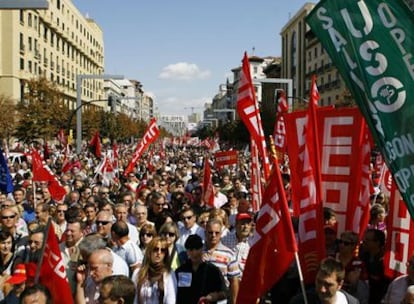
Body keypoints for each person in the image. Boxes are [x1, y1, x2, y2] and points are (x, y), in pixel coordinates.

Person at [175, 234, 227, 304]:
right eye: (191, 249)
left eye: (197, 248)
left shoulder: (212, 270)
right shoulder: (180, 271)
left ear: (202, 248)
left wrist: (214, 297)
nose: (194, 252)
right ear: (187, 251)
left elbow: (225, 293)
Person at [289, 257, 359, 304]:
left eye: (328, 285)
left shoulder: (351, 302)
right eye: (319, 282)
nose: (322, 289)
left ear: (340, 284)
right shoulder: (301, 301)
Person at [203, 218, 240, 304]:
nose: (213, 235)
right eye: (210, 232)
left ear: (221, 234)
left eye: (217, 233)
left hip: (221, 300)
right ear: (205, 233)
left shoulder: (229, 254)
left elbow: (234, 281)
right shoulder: (198, 251)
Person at [133, 236, 177, 303]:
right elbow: (134, 299)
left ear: (165, 254)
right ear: (149, 251)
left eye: (162, 250)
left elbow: (171, 300)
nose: (159, 253)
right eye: (155, 249)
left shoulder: (169, 273)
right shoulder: (138, 273)